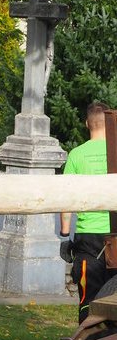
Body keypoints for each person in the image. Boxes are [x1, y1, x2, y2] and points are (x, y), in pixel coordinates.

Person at [59, 101, 117, 323]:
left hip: (88, 239)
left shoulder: (76, 154)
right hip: (115, 234)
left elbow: (66, 198)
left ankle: (87, 339)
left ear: (87, 124)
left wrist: (65, 234)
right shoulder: (115, 152)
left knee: (88, 300)